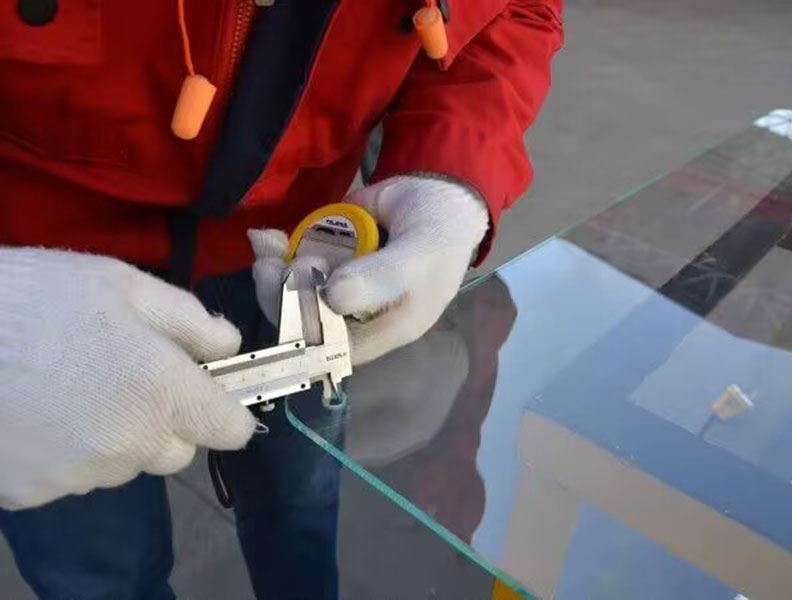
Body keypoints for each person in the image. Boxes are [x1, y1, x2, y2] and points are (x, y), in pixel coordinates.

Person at [0, 1, 563, 597]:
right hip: (41, 297)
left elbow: (514, 13)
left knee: (301, 507)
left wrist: (453, 170)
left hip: (293, 265)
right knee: (99, 574)